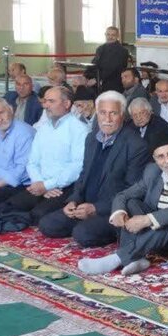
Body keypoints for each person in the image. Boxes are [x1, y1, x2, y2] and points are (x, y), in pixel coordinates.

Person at [77, 134, 168, 276]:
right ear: (155, 159)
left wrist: (147, 220)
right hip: (164, 238)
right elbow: (124, 195)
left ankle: (119, 258)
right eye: (161, 156)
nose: (167, 161)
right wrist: (118, 212)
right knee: (130, 203)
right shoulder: (152, 170)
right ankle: (136, 259)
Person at [38, 91, 148, 247]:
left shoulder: (136, 145)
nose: (107, 119)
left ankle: (109, 230)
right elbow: (83, 175)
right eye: (102, 113)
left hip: (113, 209)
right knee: (47, 224)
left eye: (113, 113)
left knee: (83, 234)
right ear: (97, 113)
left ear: (122, 115)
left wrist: (96, 209)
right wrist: (74, 200)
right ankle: (84, 223)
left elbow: (132, 190)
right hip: (85, 204)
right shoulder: (91, 138)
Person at [0, 86, 90, 221]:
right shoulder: (43, 128)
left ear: (66, 104)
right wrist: (39, 183)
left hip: (66, 186)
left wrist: (47, 186)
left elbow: (77, 167)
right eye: (45, 101)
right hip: (40, 182)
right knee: (11, 206)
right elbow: (32, 161)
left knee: (39, 214)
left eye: (51, 101)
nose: (46, 106)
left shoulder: (79, 129)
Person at [91, 26, 130, 93]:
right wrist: (86, 76)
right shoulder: (100, 48)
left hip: (114, 84)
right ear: (105, 35)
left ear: (117, 36)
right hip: (98, 81)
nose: (110, 37)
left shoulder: (122, 51)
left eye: (113, 35)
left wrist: (97, 79)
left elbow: (113, 68)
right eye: (108, 34)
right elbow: (94, 63)